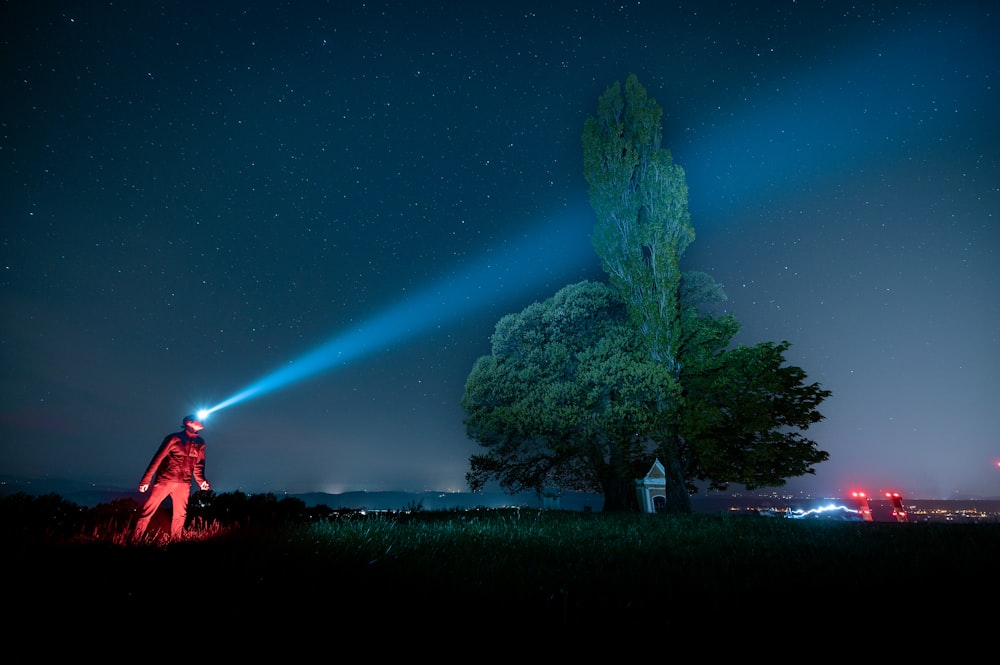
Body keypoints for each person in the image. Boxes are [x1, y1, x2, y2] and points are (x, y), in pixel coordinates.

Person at [133, 414, 211, 540]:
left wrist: (201, 481)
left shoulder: (200, 442)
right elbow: (157, 459)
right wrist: (146, 480)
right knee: (148, 511)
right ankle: (135, 539)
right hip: (165, 480)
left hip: (184, 483)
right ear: (188, 422)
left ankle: (176, 541)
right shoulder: (174, 438)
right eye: (198, 419)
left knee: (180, 515)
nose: (202, 421)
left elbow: (199, 464)